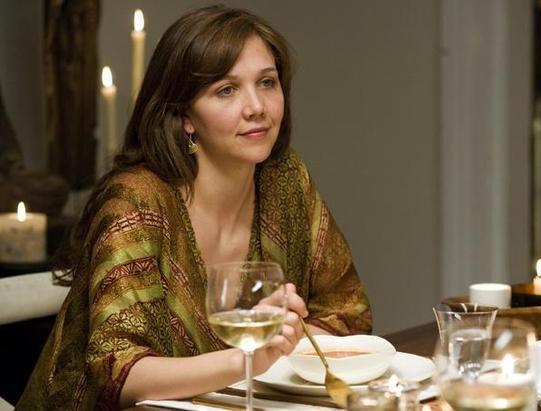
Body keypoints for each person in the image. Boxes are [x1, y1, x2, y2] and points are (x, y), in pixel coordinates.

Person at [16, 5, 372, 410]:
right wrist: (250, 358)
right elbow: (120, 373)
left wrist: (283, 340)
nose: (256, 106)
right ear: (185, 115)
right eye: (227, 90)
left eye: (267, 82)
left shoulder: (285, 179)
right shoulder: (135, 202)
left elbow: (349, 310)